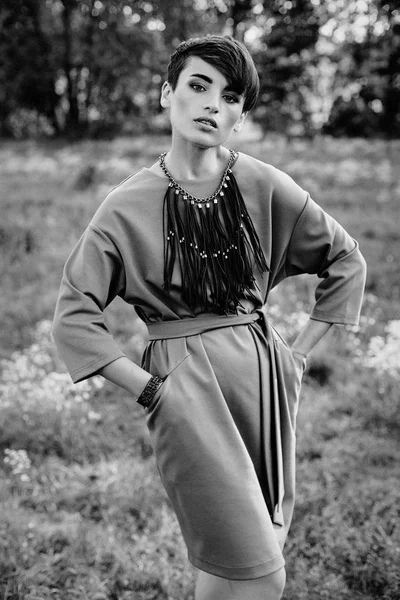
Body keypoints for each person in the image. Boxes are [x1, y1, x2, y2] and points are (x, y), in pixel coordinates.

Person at [52, 35, 367, 600]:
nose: (212, 106)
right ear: (167, 93)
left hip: (264, 382)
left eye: (230, 97)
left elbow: (344, 259)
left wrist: (294, 357)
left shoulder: (264, 183)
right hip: (186, 393)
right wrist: (150, 390)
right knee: (262, 573)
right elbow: (74, 315)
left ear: (241, 115)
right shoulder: (125, 205)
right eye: (198, 87)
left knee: (230, 565)